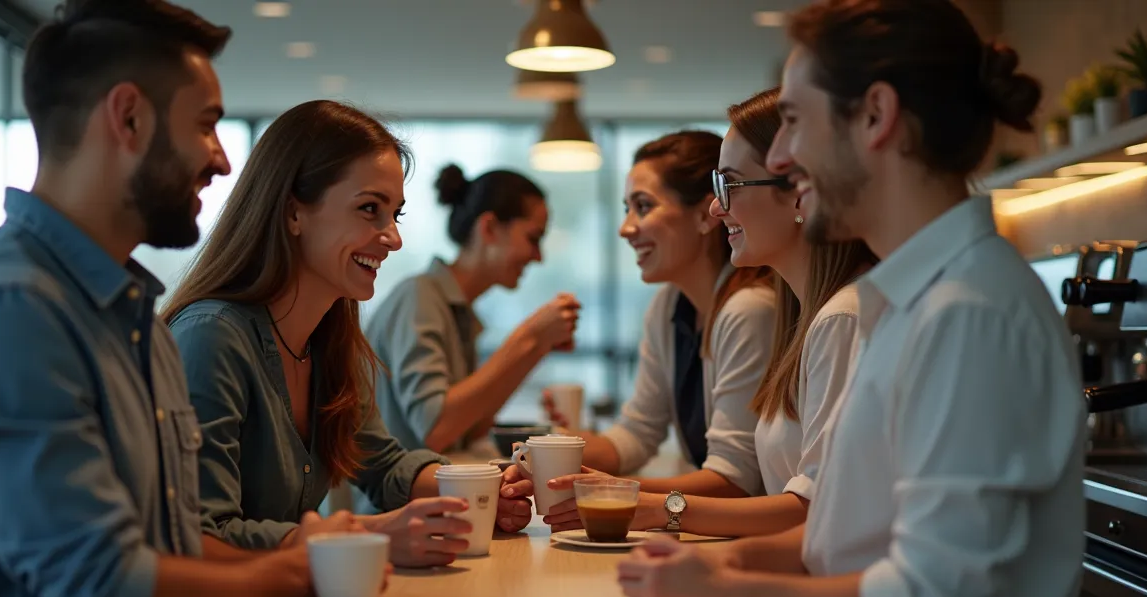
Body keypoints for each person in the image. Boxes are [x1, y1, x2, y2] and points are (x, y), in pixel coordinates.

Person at [617, 2, 1084, 597]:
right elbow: (843, 532)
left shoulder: (967, 313)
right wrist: (726, 563)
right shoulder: (903, 299)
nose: (782, 156)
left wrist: (727, 594)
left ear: (875, 116)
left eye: (795, 120)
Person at [0, 2, 359, 597]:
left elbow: (171, 548)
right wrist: (302, 571)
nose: (222, 159)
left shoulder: (133, 317)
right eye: (206, 124)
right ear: (129, 117)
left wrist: (309, 551)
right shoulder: (11, 314)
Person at [163, 101, 535, 568]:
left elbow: (384, 465)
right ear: (293, 212)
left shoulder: (331, 340)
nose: (393, 238)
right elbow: (202, 536)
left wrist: (480, 489)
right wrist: (372, 535)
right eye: (369, 209)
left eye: (395, 215)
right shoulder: (211, 338)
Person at [546, 89, 874, 538]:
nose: (719, 207)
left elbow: (808, 512)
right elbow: (640, 431)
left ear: (800, 191)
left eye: (729, 185)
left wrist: (652, 506)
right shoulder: (799, 314)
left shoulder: (832, 318)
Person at [542, 130, 776, 502]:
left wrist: (604, 488)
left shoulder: (749, 310)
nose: (625, 228)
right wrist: (548, 451)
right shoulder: (668, 306)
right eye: (627, 208)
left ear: (705, 214)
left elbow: (735, 480)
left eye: (643, 206)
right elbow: (637, 433)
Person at [365, 166, 579, 455]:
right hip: (394, 487)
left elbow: (471, 427)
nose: (539, 257)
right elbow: (436, 429)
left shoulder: (454, 310)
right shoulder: (418, 297)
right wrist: (530, 337)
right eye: (533, 238)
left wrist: (538, 348)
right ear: (488, 227)